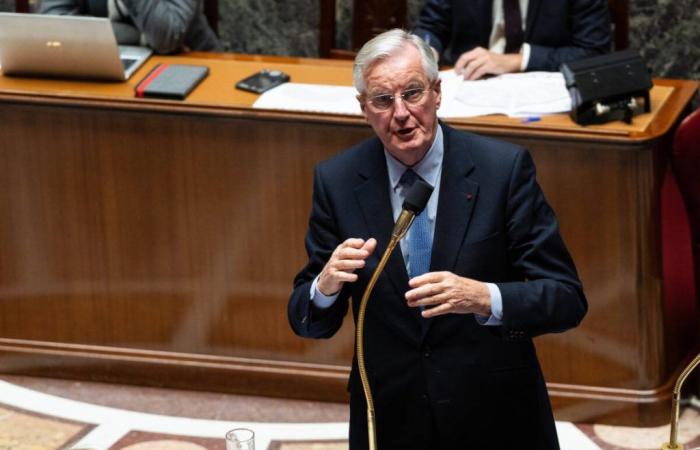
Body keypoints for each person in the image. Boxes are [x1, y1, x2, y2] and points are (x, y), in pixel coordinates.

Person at [288, 29, 587, 450]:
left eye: (413, 93)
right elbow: (307, 319)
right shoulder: (337, 180)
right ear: (363, 109)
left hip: (494, 414)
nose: (402, 113)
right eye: (382, 100)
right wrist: (326, 285)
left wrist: (484, 297)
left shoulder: (502, 171)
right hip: (391, 415)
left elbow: (566, 298)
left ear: (437, 92)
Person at [413, 0, 611, 80]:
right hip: (469, 84)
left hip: (544, 95)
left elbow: (593, 53)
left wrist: (518, 61)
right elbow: (431, 27)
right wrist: (424, 52)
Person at [39, 0, 222, 54]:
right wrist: (138, 38)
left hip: (189, 67)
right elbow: (53, 23)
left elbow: (165, 36)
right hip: (109, 63)